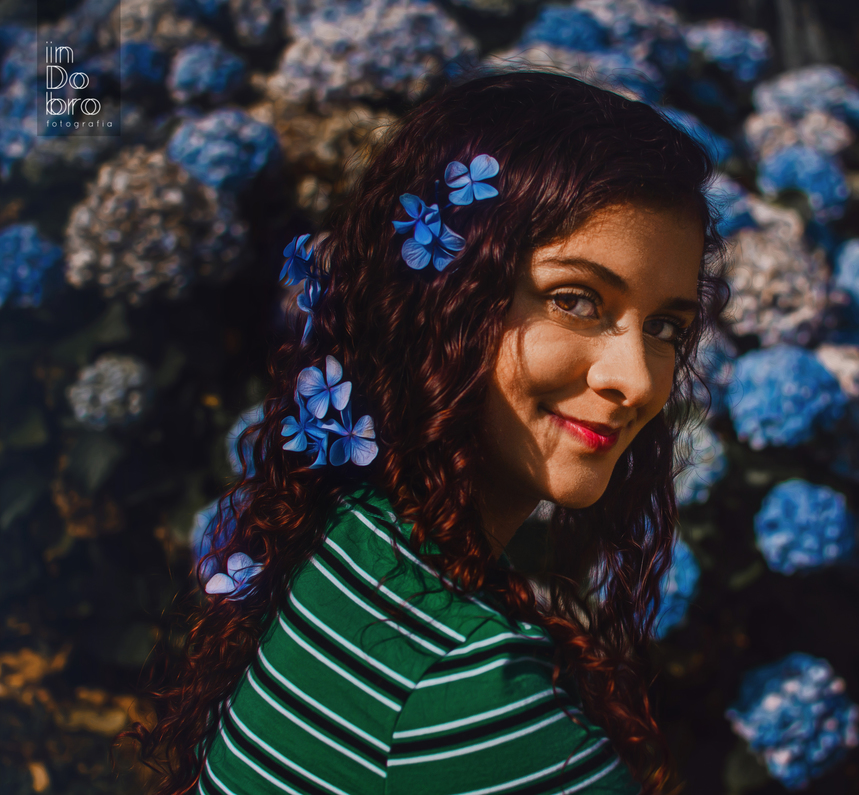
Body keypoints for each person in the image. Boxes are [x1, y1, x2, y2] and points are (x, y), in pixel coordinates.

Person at [126, 70, 728, 795]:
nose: (635, 379)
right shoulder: (474, 691)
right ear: (446, 298)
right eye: (577, 300)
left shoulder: (346, 541)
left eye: (666, 326)